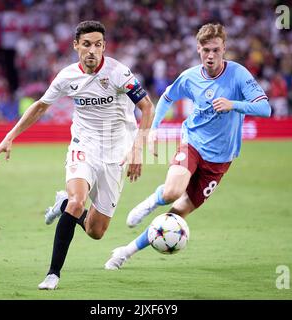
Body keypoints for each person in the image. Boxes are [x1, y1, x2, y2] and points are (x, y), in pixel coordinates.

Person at [0, 21, 155, 289]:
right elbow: (41, 106)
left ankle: (62, 202)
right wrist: (9, 137)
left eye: (98, 45)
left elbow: (147, 108)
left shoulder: (119, 73)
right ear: (76, 45)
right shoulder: (67, 76)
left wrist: (138, 149)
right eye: (87, 44)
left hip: (116, 153)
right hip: (84, 146)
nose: (92, 50)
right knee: (78, 201)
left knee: (96, 231)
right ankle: (53, 274)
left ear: (104, 47)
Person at [104, 23, 271, 270]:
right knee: (172, 192)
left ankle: (125, 252)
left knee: (175, 216)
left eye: (215, 49)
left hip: (220, 160)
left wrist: (234, 104)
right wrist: (152, 130)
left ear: (224, 48)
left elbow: (265, 108)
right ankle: (153, 200)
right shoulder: (190, 76)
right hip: (193, 142)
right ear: (198, 49)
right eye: (205, 50)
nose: (210, 55)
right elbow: (167, 98)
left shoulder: (239, 75)